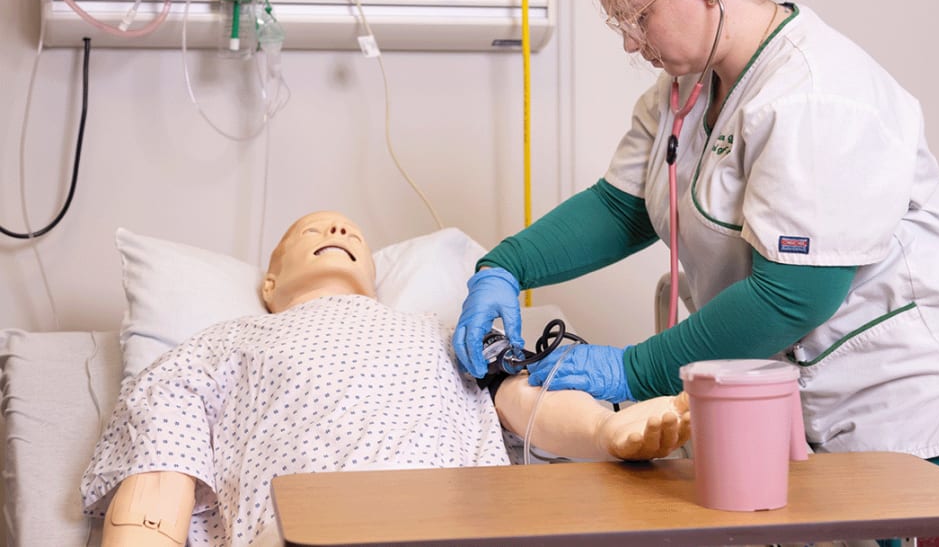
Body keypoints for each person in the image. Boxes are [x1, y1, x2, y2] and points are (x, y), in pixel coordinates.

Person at [453, 0, 939, 544]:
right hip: (833, 401)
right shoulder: (686, 88)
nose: (632, 44)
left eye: (638, 17)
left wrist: (631, 369)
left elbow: (794, 295)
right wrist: (504, 267)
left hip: (936, 401)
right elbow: (623, 206)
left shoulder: (816, 93)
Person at [83, 210, 690, 547]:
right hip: (304, 531)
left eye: (352, 232)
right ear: (268, 285)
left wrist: (609, 434)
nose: (338, 231)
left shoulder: (446, 333)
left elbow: (523, 402)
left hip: (459, 530)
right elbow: (158, 487)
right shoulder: (211, 349)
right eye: (309, 232)